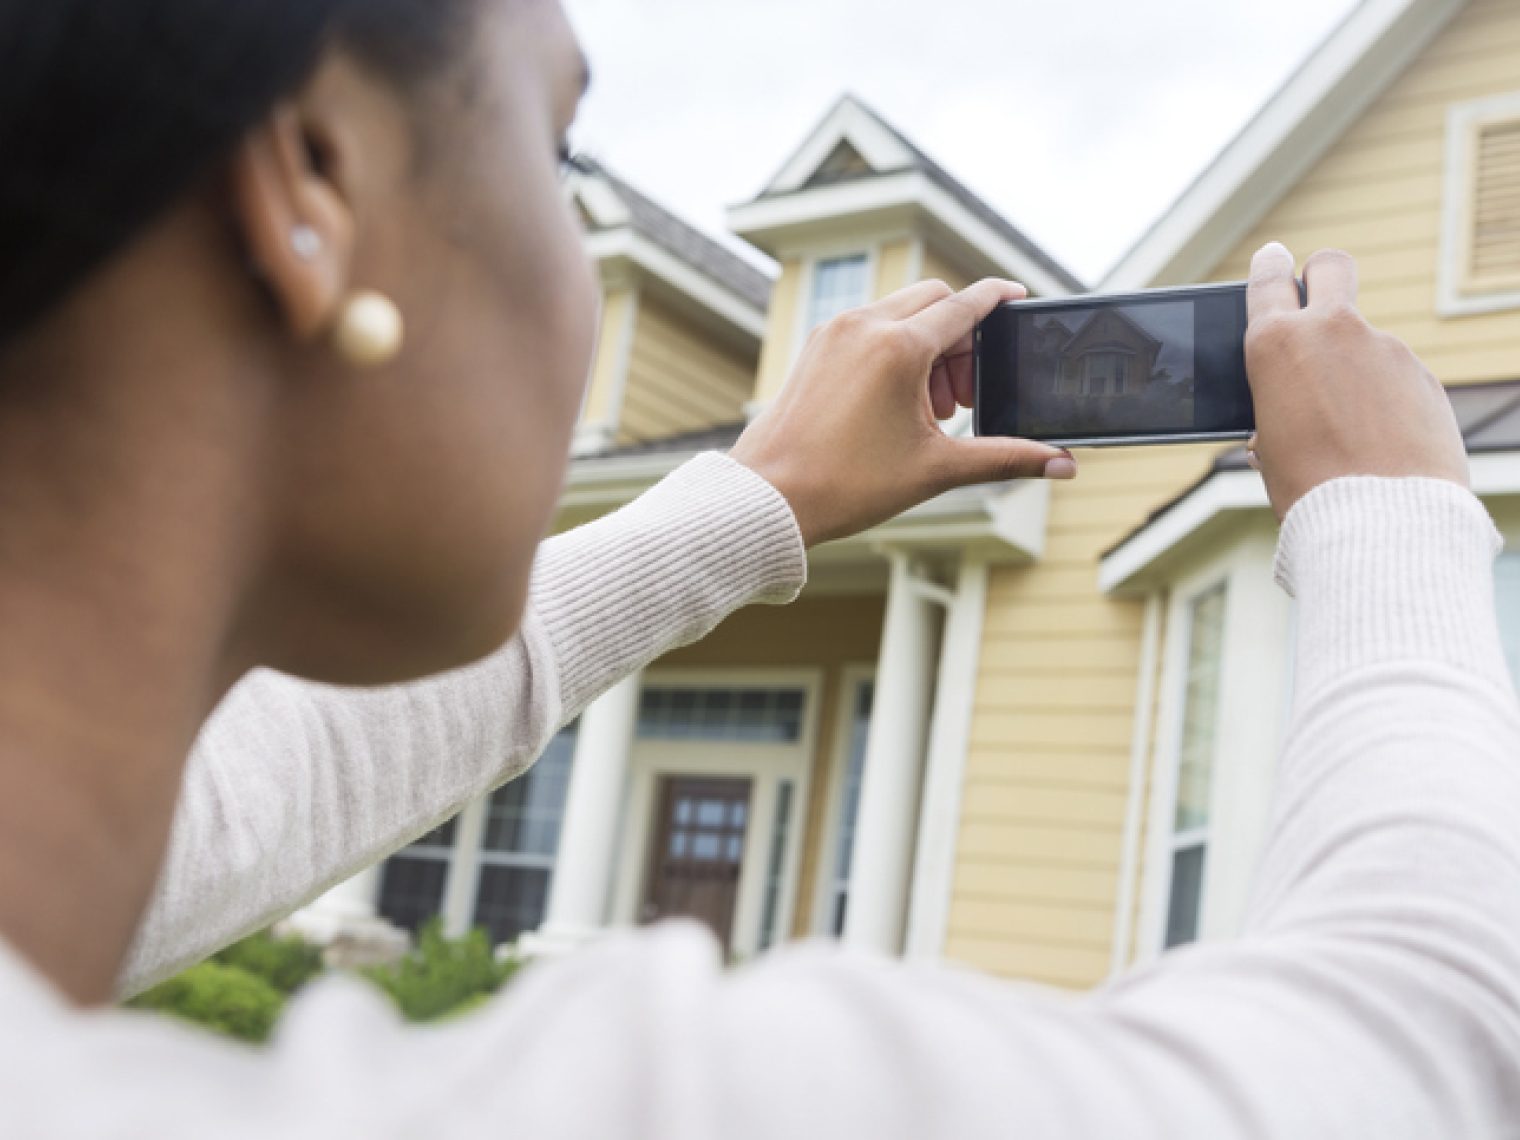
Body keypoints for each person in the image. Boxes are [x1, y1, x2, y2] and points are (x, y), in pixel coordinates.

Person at [1, 1, 1516, 1136]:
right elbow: (1434, 1035)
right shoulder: (671, 1100)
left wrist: (759, 498)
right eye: (557, 149)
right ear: (315, 177)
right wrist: (1394, 511)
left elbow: (269, 777)